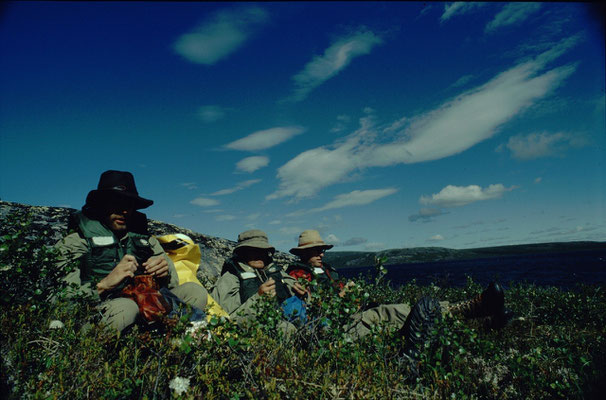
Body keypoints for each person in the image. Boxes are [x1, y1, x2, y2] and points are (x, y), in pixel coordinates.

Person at [286, 230, 508, 359]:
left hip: (353, 314)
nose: (321, 253)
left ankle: (479, 315)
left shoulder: (328, 271)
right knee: (401, 313)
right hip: (337, 324)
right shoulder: (297, 274)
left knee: (407, 313)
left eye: (322, 249)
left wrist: (354, 295)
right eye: (316, 250)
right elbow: (309, 306)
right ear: (303, 253)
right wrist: (341, 298)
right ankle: (475, 312)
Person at [55, 170, 209, 332]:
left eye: (129, 204)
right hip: (99, 310)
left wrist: (165, 272)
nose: (124, 211)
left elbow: (172, 284)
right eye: (116, 202)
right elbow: (61, 301)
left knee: (194, 291)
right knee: (126, 308)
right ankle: (95, 351)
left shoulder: (146, 240)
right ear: (101, 204)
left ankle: (172, 347)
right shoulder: (76, 242)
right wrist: (104, 285)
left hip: (147, 304)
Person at [211, 229, 307, 333]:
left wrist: (305, 295)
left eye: (263, 250)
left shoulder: (278, 273)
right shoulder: (229, 280)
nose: (259, 254)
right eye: (253, 250)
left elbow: (307, 301)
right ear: (242, 253)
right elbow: (228, 324)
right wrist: (259, 299)